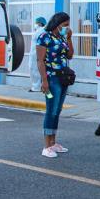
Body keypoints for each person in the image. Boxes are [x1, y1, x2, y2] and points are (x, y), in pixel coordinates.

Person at [36, 12, 74, 158]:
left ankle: (53, 143)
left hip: (63, 78)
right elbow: (40, 61)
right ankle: (46, 146)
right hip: (51, 80)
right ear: (57, 24)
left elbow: (70, 55)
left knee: (57, 110)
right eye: (65, 25)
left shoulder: (61, 36)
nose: (67, 28)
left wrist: (69, 38)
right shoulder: (44, 37)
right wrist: (44, 81)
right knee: (51, 110)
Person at [28, 17, 46, 92]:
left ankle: (36, 87)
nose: (35, 24)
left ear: (40, 23)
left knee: (35, 70)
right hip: (34, 54)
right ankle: (35, 86)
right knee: (33, 70)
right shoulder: (39, 31)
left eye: (37, 23)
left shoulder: (41, 31)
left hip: (36, 54)